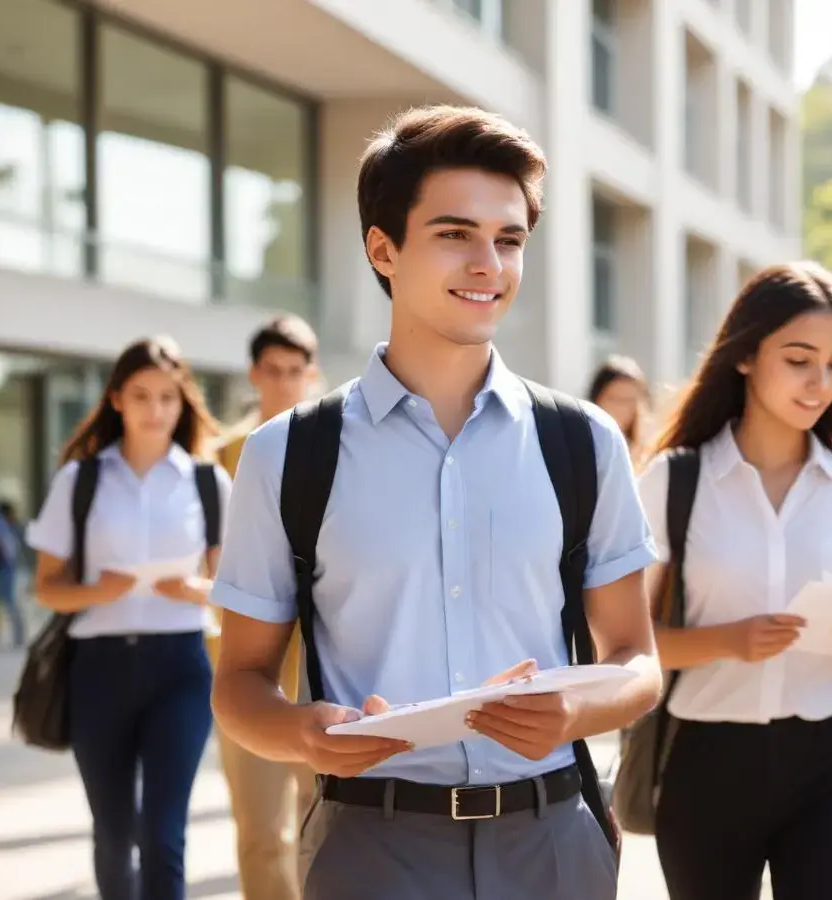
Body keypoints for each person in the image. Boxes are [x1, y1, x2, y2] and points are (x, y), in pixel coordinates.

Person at [210, 104, 662, 900]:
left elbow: (636, 660)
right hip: (368, 846)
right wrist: (299, 735)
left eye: (510, 239)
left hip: (552, 841)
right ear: (383, 249)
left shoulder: (583, 442)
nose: (489, 262)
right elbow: (240, 682)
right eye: (455, 233)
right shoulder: (287, 454)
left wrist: (571, 717)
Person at [636, 262, 832, 900]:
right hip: (706, 762)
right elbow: (625, 643)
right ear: (744, 357)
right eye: (798, 359)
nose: (821, 382)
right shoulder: (673, 483)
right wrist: (728, 641)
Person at [26, 337, 231, 900]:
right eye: (141, 395)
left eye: (167, 397)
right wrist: (97, 590)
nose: (155, 409)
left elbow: (234, 590)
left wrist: (197, 589)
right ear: (116, 398)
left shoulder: (208, 483)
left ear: (182, 401)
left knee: (163, 834)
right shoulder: (80, 480)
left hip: (181, 667)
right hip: (99, 667)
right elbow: (47, 588)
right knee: (115, 836)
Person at [206, 315, 320, 900]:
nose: (284, 383)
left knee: (325, 820)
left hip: (326, 659)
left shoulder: (334, 446)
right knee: (259, 828)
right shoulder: (219, 459)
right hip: (247, 663)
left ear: (312, 374)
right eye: (273, 371)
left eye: (295, 372)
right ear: (254, 374)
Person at [588, 355, 650, 464]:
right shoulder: (583, 444)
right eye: (615, 399)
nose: (621, 408)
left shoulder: (648, 451)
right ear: (597, 399)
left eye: (629, 400)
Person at [0, 499, 27, 648]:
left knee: (11, 604)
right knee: (10, 604)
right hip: (10, 569)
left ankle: (7, 636)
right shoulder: (11, 526)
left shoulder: (3, 526)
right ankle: (12, 636)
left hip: (9, 570)